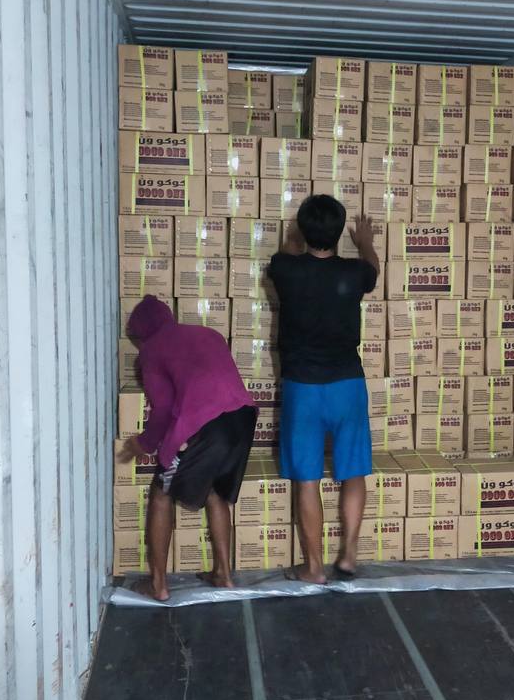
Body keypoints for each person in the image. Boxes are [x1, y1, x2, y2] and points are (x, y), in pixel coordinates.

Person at [268, 195, 380, 584]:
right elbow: (373, 269)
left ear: (302, 230)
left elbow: (287, 253)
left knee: (307, 478)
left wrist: (293, 237)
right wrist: (365, 241)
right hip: (347, 384)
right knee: (353, 472)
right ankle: (348, 555)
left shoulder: (285, 268)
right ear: (338, 232)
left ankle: (314, 568)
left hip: (303, 388)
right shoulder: (355, 272)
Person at [117, 295, 257, 599]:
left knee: (161, 494)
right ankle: (223, 574)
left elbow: (164, 409)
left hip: (205, 424)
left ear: (141, 333)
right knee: (216, 493)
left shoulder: (152, 351)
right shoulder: (209, 334)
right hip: (243, 418)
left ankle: (158, 585)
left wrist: (144, 443)